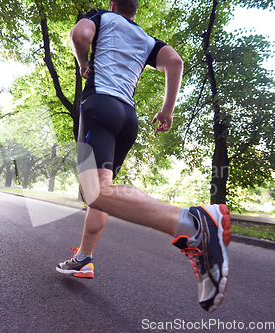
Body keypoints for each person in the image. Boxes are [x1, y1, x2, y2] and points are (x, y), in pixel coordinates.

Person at [55, 0, 231, 313]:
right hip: (128, 118)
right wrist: (167, 110)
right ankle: (83, 258)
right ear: (135, 10)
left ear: (112, 4)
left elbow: (81, 35)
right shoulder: (148, 40)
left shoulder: (103, 16)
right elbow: (174, 62)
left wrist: (83, 63)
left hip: (99, 109)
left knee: (92, 192)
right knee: (102, 192)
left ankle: (193, 224)